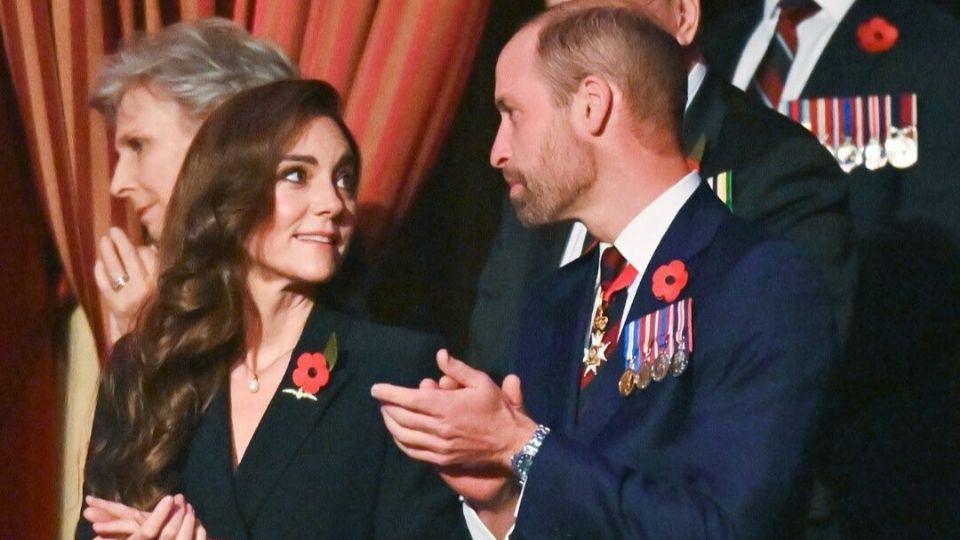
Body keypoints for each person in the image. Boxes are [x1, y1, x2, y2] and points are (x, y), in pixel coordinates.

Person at [372, 3, 837, 538]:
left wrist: (520, 447)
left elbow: (723, 527)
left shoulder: (759, 280)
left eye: (513, 114)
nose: (497, 152)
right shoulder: (555, 301)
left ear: (591, 106)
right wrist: (501, 501)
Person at [76, 80, 462, 539]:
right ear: (227, 194)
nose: (333, 204)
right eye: (297, 175)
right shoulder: (144, 368)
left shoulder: (395, 372)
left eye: (344, 179)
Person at [468, 0, 855, 381]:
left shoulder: (777, 166)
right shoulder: (546, 169)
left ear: (682, 16)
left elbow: (783, 379)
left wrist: (529, 442)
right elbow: (495, 358)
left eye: (590, 18)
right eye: (553, 19)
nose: (559, 45)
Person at [704, 2, 960, 536]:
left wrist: (780, 364)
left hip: (853, 465)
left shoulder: (928, 40)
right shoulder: (714, 44)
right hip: (703, 461)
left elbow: (937, 261)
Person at [90, 18, 298, 343]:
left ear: (221, 129)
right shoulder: (177, 284)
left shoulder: (307, 277)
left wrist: (148, 334)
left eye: (137, 145)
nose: (117, 184)